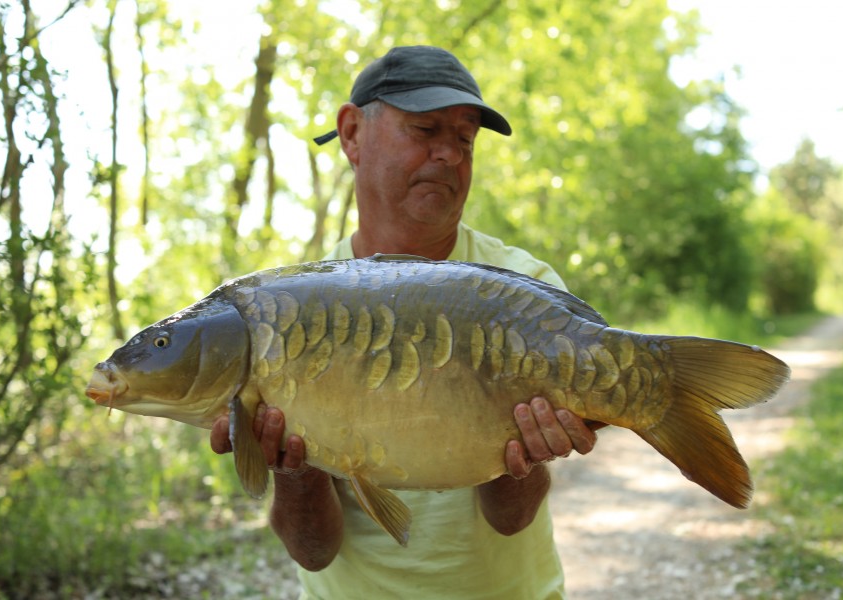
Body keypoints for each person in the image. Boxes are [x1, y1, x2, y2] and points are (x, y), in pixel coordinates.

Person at [210, 45, 600, 599]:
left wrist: (526, 458)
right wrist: (294, 468)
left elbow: (511, 520)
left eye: (464, 140)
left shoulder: (521, 289)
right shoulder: (293, 313)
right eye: (425, 130)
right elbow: (314, 552)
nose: (450, 155)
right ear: (352, 134)